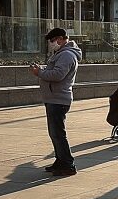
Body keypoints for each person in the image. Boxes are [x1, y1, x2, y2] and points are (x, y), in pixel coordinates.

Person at [31, 27, 81, 175]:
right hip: (54, 98)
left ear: (60, 39)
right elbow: (54, 70)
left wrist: (39, 72)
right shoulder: (62, 53)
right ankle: (60, 161)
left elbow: (58, 74)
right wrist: (42, 69)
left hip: (58, 99)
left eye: (52, 41)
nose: (51, 44)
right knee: (55, 133)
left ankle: (67, 164)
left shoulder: (66, 55)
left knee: (58, 134)